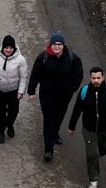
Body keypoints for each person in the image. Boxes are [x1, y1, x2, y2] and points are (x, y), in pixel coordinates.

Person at [26, 32, 83, 162]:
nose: (57, 46)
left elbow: (79, 74)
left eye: (59, 44)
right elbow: (35, 74)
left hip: (64, 95)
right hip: (47, 94)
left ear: (63, 45)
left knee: (59, 116)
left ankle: (55, 132)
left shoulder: (73, 59)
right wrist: (31, 91)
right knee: (49, 119)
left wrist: (73, 88)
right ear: (50, 45)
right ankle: (48, 149)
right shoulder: (43, 58)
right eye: (54, 44)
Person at [67, 67, 106, 188]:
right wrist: (72, 126)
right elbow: (77, 109)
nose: (96, 80)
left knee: (103, 150)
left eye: (98, 78)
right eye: (93, 78)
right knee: (92, 154)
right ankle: (93, 179)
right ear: (90, 78)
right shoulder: (85, 92)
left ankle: (96, 157)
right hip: (89, 130)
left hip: (105, 130)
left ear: (103, 78)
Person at [0, 35, 28, 144]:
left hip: (13, 90)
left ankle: (9, 125)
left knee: (14, 111)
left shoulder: (20, 60)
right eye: (6, 47)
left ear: (14, 48)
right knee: (0, 112)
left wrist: (21, 91)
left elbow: (23, 77)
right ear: (2, 47)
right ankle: (1, 131)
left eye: (10, 47)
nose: (8, 50)